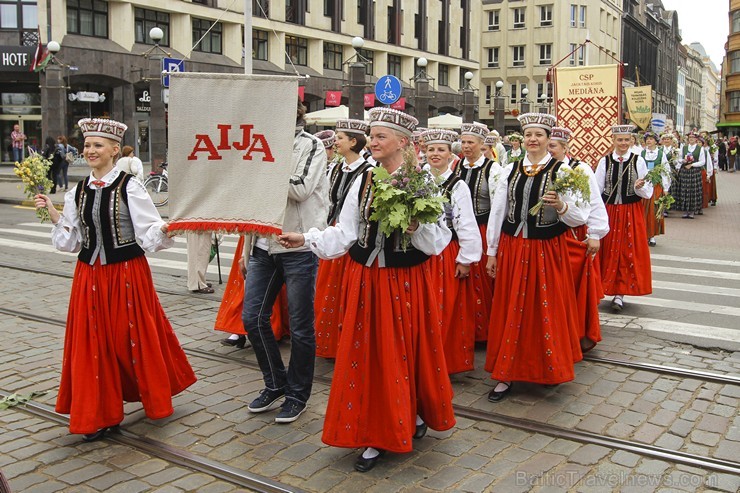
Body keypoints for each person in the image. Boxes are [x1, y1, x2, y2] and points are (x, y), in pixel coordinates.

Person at [278, 107, 454, 473]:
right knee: (368, 356)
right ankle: (375, 429)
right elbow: (346, 232)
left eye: (379, 137)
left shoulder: (423, 182)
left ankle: (405, 418)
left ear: (402, 143)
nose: (372, 142)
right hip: (366, 280)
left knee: (401, 353)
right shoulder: (365, 180)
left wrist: (415, 228)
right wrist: (306, 238)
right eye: (371, 136)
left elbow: (438, 240)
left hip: (404, 284)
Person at [33, 118, 196, 441]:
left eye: (97, 145)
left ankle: (152, 392)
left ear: (112, 150)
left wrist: (165, 229)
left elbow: (148, 233)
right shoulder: (77, 191)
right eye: (87, 145)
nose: (90, 150)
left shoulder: (129, 186)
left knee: (129, 338)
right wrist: (53, 213)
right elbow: (72, 241)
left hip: (126, 274)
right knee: (93, 344)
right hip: (88, 276)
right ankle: (101, 413)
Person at [484, 113, 589, 401]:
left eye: (539, 135)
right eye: (528, 134)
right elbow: (498, 212)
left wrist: (563, 206)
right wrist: (491, 251)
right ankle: (505, 373)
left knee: (546, 308)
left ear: (548, 139)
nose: (533, 139)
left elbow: (581, 216)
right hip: (514, 246)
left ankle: (547, 368)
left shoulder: (564, 171)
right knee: (510, 307)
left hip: (547, 249)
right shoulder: (510, 170)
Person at [243, 98, 329, 424]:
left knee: (301, 328)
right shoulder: (259, 142)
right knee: (253, 318)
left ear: (293, 112)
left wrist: (262, 166)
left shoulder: (311, 145)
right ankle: (276, 382)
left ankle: (297, 395)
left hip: (299, 247)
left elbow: (301, 188)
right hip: (263, 246)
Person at [423, 128, 482, 373]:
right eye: (430, 149)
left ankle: (442, 361)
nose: (435, 154)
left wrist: (465, 259)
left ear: (451, 155)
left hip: (446, 252)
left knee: (443, 308)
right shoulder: (417, 179)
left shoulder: (457, 185)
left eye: (440, 150)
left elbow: (465, 222)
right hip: (420, 253)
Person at [314, 118, 373, 359]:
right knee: (327, 290)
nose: (335, 141)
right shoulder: (337, 168)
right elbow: (327, 200)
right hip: (333, 230)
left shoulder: (368, 171)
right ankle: (327, 342)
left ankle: (345, 343)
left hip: (353, 237)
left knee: (347, 292)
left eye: (340, 138)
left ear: (353, 141)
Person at [549, 126, 609, 353]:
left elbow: (594, 202)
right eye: (549, 145)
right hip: (546, 236)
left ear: (565, 147)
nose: (550, 149)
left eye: (553, 146)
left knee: (573, 289)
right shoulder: (538, 168)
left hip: (572, 234)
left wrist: (595, 234)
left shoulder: (579, 169)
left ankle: (576, 333)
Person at [596, 124, 653, 311]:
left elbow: (648, 192)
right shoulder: (605, 161)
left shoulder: (638, 161)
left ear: (631, 141)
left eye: (626, 140)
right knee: (607, 250)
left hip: (630, 211)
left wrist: (639, 186)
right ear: (613, 141)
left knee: (627, 251)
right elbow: (597, 189)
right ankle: (601, 289)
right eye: (619, 140)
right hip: (609, 211)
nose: (623, 143)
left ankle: (620, 293)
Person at [454, 122, 499, 343]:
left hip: (482, 229)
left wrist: (493, 241)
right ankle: (465, 327)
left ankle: (483, 331)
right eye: (463, 142)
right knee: (462, 281)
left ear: (482, 145)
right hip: (458, 231)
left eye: (471, 142)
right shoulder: (456, 166)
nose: (466, 146)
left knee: (481, 281)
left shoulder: (493, 169)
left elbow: (498, 206)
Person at [640, 132, 670, 246]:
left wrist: (666, 187)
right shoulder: (641, 153)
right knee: (643, 210)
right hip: (644, 185)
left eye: (651, 139)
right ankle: (643, 234)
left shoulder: (661, 154)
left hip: (656, 186)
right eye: (647, 139)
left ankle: (652, 236)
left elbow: (666, 171)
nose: (649, 141)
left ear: (656, 141)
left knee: (654, 210)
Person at [674, 131, 705, 219]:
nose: (691, 139)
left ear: (696, 139)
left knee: (693, 191)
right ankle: (685, 210)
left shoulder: (700, 148)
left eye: (693, 137)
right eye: (690, 137)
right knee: (684, 190)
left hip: (694, 171)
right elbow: (679, 158)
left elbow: (702, 161)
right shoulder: (684, 148)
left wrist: (692, 164)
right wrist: (683, 161)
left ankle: (692, 210)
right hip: (685, 171)